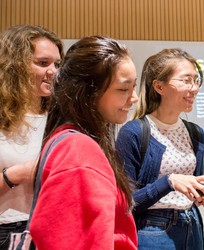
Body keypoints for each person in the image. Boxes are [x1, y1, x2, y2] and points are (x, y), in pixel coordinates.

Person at [29, 36, 138, 249]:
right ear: (89, 92)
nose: (133, 97)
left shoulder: (70, 140)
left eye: (133, 87)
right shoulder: (79, 151)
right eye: (124, 89)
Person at [116, 48, 204, 250]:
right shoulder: (134, 132)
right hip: (153, 231)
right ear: (159, 86)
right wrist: (169, 182)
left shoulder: (196, 133)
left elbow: (192, 187)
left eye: (196, 81)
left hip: (192, 225)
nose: (194, 88)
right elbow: (126, 202)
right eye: (186, 80)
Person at [0, 24, 64, 249]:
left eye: (57, 64)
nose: (54, 71)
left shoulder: (60, 118)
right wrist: (16, 174)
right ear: (14, 66)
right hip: (6, 230)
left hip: (50, 227)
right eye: (43, 63)